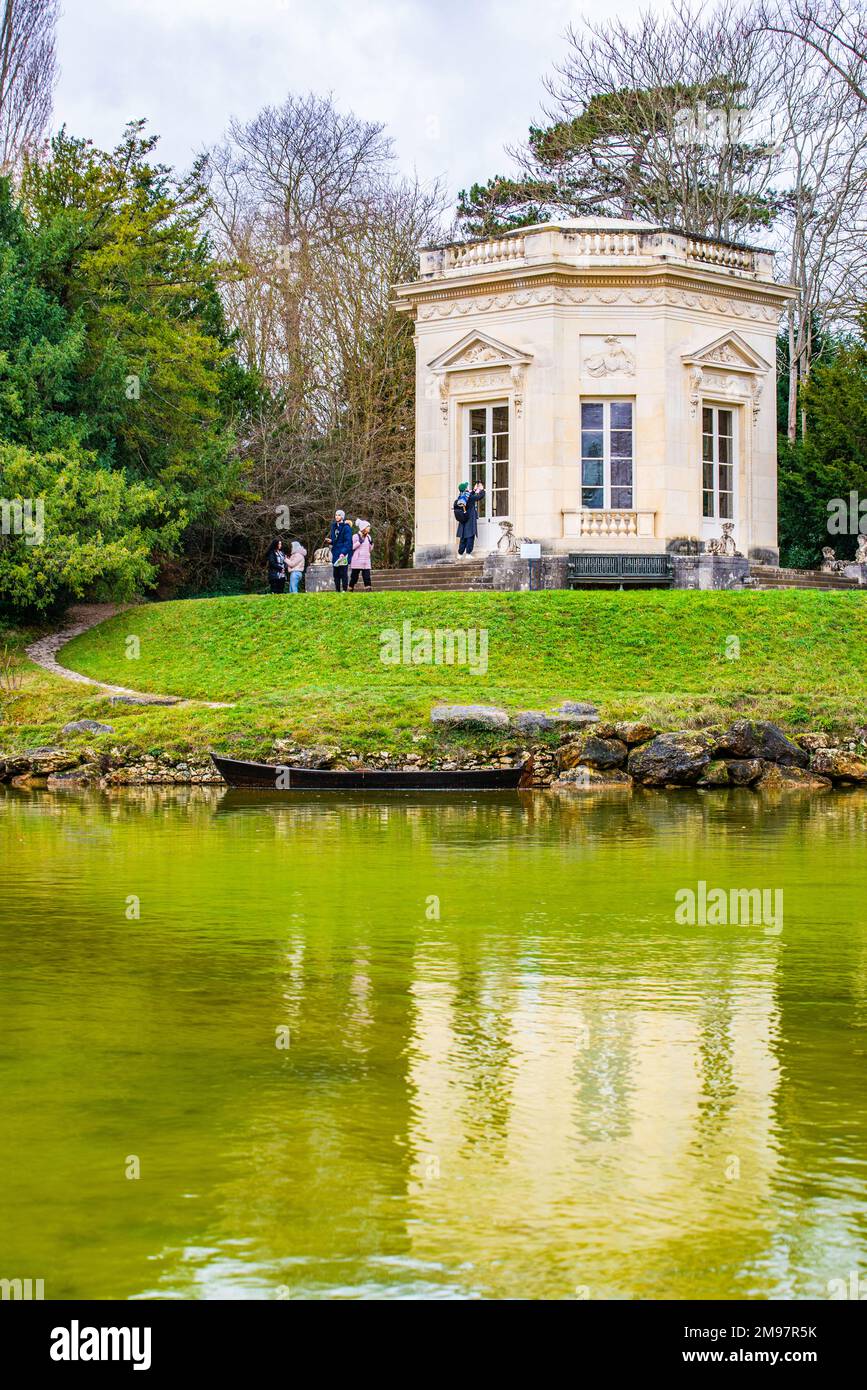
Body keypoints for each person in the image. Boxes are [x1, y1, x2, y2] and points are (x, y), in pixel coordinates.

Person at [454, 480, 485, 556]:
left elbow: (470, 496)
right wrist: (482, 489)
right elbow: (479, 497)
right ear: (465, 489)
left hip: (463, 519)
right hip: (470, 519)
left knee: (463, 537)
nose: (468, 487)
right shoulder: (469, 496)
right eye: (466, 487)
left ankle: (460, 554)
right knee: (470, 536)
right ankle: (468, 553)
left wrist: (474, 490)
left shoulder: (461, 496)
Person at [329, 509, 353, 591]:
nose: (337, 516)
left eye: (339, 515)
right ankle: (337, 590)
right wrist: (331, 541)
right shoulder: (333, 526)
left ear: (342, 517)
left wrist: (343, 552)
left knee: (343, 573)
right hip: (335, 553)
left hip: (343, 553)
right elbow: (335, 540)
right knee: (336, 574)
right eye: (336, 515)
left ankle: (344, 590)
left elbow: (348, 542)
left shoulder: (346, 528)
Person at [350, 519, 373, 590]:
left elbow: (370, 549)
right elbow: (352, 547)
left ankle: (368, 589)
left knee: (367, 576)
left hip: (366, 560)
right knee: (354, 577)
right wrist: (359, 542)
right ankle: (350, 588)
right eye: (368, 526)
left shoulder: (369, 537)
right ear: (363, 528)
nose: (369, 528)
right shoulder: (355, 536)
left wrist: (372, 544)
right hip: (357, 560)